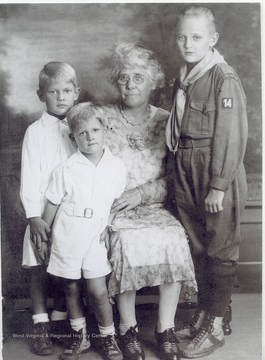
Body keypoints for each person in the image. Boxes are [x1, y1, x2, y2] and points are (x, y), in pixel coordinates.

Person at [102, 43, 197, 360]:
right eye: (124, 78)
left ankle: (164, 327)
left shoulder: (168, 121)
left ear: (154, 80)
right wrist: (115, 198)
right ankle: (127, 329)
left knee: (173, 237)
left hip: (155, 206)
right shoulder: (102, 119)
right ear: (117, 81)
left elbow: (175, 178)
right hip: (114, 206)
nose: (130, 85)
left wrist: (141, 194)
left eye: (138, 78)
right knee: (126, 243)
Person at [166, 6, 248, 358]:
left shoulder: (222, 77)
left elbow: (230, 135)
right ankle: (204, 313)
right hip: (185, 165)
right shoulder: (186, 76)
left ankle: (216, 324)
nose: (188, 43)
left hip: (214, 168)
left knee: (219, 249)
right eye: (183, 37)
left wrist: (218, 184)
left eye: (196, 37)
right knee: (197, 247)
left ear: (212, 39)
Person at [42, 103, 126, 360]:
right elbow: (53, 204)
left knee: (98, 290)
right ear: (73, 137)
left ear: (105, 131)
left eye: (95, 130)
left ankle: (108, 337)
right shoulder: (66, 169)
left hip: (96, 233)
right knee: (70, 288)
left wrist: (110, 227)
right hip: (68, 232)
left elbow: (116, 204)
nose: (90, 137)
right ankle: (81, 337)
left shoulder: (116, 167)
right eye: (82, 133)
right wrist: (44, 237)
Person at [20, 61, 80, 355]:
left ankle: (65, 324)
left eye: (67, 90)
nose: (60, 96)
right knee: (38, 269)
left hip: (72, 216)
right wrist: (33, 217)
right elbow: (30, 176)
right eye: (53, 91)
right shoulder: (35, 132)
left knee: (68, 271)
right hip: (42, 215)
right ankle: (40, 325)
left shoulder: (81, 130)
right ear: (40, 95)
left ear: (76, 92)